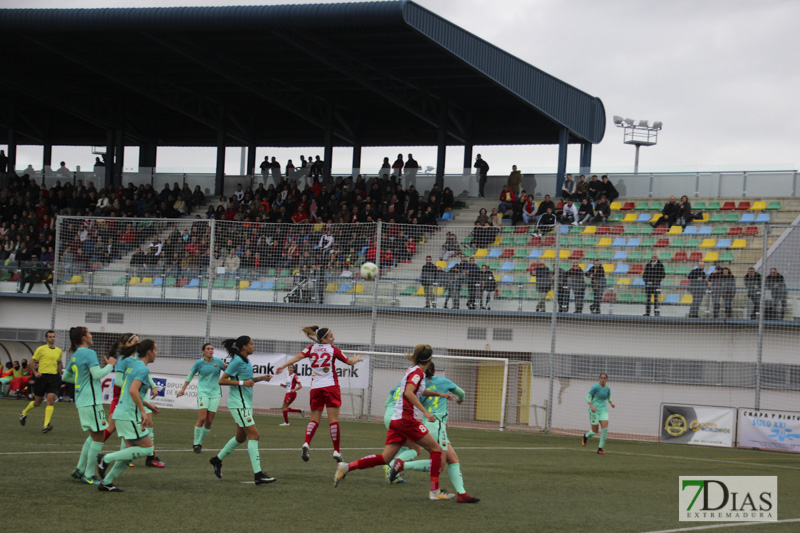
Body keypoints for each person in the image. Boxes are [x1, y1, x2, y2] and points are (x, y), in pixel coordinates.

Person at [333, 344, 455, 501]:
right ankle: (434, 491)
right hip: (406, 420)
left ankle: (346, 467)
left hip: (397, 420)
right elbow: (409, 393)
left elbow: (417, 391)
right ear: (430, 360)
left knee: (385, 458)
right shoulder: (417, 373)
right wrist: (426, 412)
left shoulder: (414, 371)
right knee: (437, 450)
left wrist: (439, 394)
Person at [388, 362, 480, 503]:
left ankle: (462, 493)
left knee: (453, 460)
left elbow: (409, 398)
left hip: (431, 424)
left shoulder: (419, 385)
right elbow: (461, 393)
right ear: (435, 370)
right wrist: (460, 400)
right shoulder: (443, 381)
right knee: (440, 464)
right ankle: (401, 465)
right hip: (436, 425)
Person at [276, 327, 363, 463]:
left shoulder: (311, 348)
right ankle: (336, 451)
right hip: (330, 387)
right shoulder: (333, 350)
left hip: (316, 388)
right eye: (331, 336)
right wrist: (356, 359)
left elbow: (297, 357)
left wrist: (282, 365)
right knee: (333, 420)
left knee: (314, 420)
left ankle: (306, 443)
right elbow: (349, 362)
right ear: (323, 339)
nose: (333, 339)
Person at [208, 336, 276, 485]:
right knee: (254, 435)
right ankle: (258, 475)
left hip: (245, 403)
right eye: (251, 344)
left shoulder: (246, 360)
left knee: (240, 438)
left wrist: (262, 378)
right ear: (244, 347)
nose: (253, 345)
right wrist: (241, 382)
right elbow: (222, 380)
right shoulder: (237, 361)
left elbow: (248, 381)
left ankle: (216, 460)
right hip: (239, 404)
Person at [96, 339, 160, 492]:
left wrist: (147, 405)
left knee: (128, 455)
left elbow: (131, 390)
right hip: (128, 415)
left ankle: (106, 482)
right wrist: (143, 411)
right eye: (156, 350)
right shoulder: (142, 369)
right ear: (149, 351)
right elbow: (132, 390)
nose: (157, 354)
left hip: (123, 413)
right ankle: (105, 459)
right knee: (147, 449)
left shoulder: (134, 365)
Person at [61, 326, 117, 485]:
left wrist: (81, 383)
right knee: (99, 436)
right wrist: (110, 365)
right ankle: (88, 475)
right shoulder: (89, 353)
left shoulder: (75, 355)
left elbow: (66, 376)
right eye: (89, 333)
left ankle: (80, 469)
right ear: (84, 338)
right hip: (91, 401)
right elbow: (97, 374)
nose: (92, 336)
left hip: (82, 400)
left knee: (93, 435)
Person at [176, 343, 227, 452]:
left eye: (212, 349)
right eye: (208, 349)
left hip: (215, 394)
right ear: (203, 351)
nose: (210, 351)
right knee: (202, 418)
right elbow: (190, 375)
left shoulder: (218, 361)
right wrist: (183, 389)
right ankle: (196, 443)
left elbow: (228, 370)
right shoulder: (199, 363)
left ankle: (200, 442)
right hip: (203, 392)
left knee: (209, 421)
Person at [19, 330, 62, 432]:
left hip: (53, 377)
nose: (52, 338)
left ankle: (45, 425)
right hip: (42, 377)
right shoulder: (41, 349)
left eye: (53, 336)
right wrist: (35, 373)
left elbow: (59, 363)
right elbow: (31, 363)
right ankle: (24, 413)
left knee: (50, 401)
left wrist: (60, 373)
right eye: (50, 337)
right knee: (37, 402)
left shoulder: (58, 351)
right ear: (46, 339)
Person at [581, 373, 616, 455]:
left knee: (605, 429)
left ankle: (600, 449)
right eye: (601, 378)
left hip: (603, 411)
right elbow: (587, 397)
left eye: (604, 378)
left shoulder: (607, 389)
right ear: (599, 379)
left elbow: (609, 397)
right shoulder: (595, 387)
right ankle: (585, 436)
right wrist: (591, 406)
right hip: (594, 411)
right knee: (594, 431)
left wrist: (611, 403)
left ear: (606, 379)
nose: (602, 379)